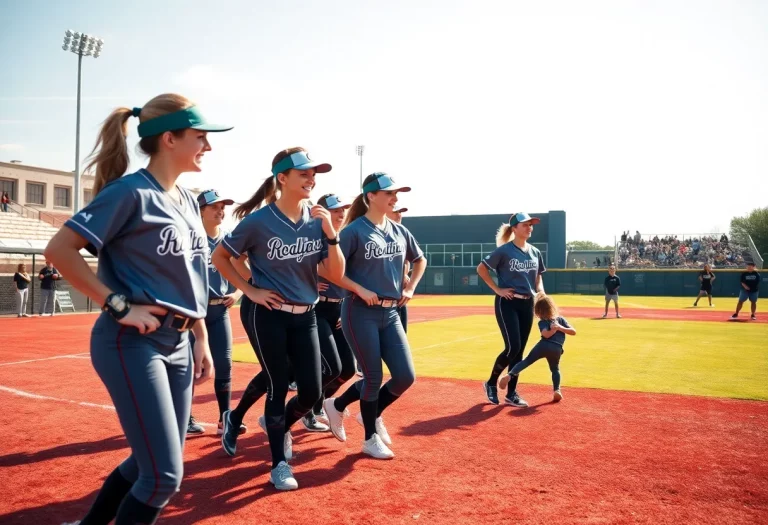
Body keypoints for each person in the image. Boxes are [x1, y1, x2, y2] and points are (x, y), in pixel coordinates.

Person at [45, 94, 225, 524]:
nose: (208, 146)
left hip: (180, 343)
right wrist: (118, 304)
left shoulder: (185, 197)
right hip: (132, 342)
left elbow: (191, 280)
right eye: (200, 136)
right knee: (163, 477)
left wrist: (200, 338)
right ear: (169, 139)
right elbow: (60, 250)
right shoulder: (129, 192)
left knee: (154, 461)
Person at [213, 147, 344, 491]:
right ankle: (278, 464)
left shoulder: (317, 221)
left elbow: (335, 271)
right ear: (281, 178)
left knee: (313, 388)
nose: (311, 179)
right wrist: (248, 289)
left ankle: (244, 419)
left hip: (307, 315)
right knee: (277, 383)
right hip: (265, 313)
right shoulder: (258, 221)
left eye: (313, 174)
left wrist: (330, 231)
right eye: (304, 174)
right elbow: (221, 256)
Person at [322, 172, 426, 460]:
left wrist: (411, 287)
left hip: (390, 313)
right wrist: (358, 288)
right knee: (372, 376)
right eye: (388, 193)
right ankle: (369, 438)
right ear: (370, 196)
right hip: (360, 311)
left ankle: (344, 407)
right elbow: (330, 269)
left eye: (396, 194)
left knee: (405, 376)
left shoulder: (398, 231)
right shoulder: (354, 231)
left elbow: (420, 259)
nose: (394, 198)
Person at [186, 189, 250, 437]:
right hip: (193, 313)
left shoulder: (228, 240)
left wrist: (236, 294)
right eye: (214, 206)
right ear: (200, 210)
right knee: (192, 364)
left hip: (220, 311)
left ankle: (225, 418)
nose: (220, 210)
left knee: (224, 364)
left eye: (223, 206)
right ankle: (185, 417)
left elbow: (240, 271)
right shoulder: (191, 239)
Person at [477, 212, 546, 408]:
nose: (529, 227)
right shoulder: (504, 251)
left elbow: (538, 279)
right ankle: (491, 383)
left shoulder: (535, 252)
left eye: (531, 225)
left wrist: (541, 295)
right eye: (525, 225)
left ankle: (511, 393)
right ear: (514, 228)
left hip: (528, 303)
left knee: (520, 351)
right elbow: (481, 268)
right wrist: (497, 289)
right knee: (512, 347)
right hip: (507, 302)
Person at [305, 193, 356, 431]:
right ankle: (305, 408)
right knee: (331, 368)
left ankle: (320, 405)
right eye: (335, 210)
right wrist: (309, 279)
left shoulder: (344, 237)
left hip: (338, 307)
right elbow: (293, 264)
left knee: (347, 370)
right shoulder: (311, 237)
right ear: (321, 213)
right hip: (316, 308)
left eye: (342, 209)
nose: (340, 214)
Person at [498, 294, 575, 402]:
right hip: (556, 348)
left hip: (543, 346)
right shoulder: (561, 319)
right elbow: (573, 331)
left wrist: (555, 329)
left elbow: (545, 335)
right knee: (555, 369)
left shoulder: (542, 322)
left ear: (538, 311)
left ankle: (510, 375)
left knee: (526, 361)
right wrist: (560, 328)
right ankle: (557, 390)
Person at [386, 205, 411, 332]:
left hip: (398, 296)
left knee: (402, 337)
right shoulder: (372, 233)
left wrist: (404, 275)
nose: (399, 215)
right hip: (379, 300)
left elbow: (408, 261)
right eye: (396, 212)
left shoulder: (402, 233)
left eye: (400, 212)